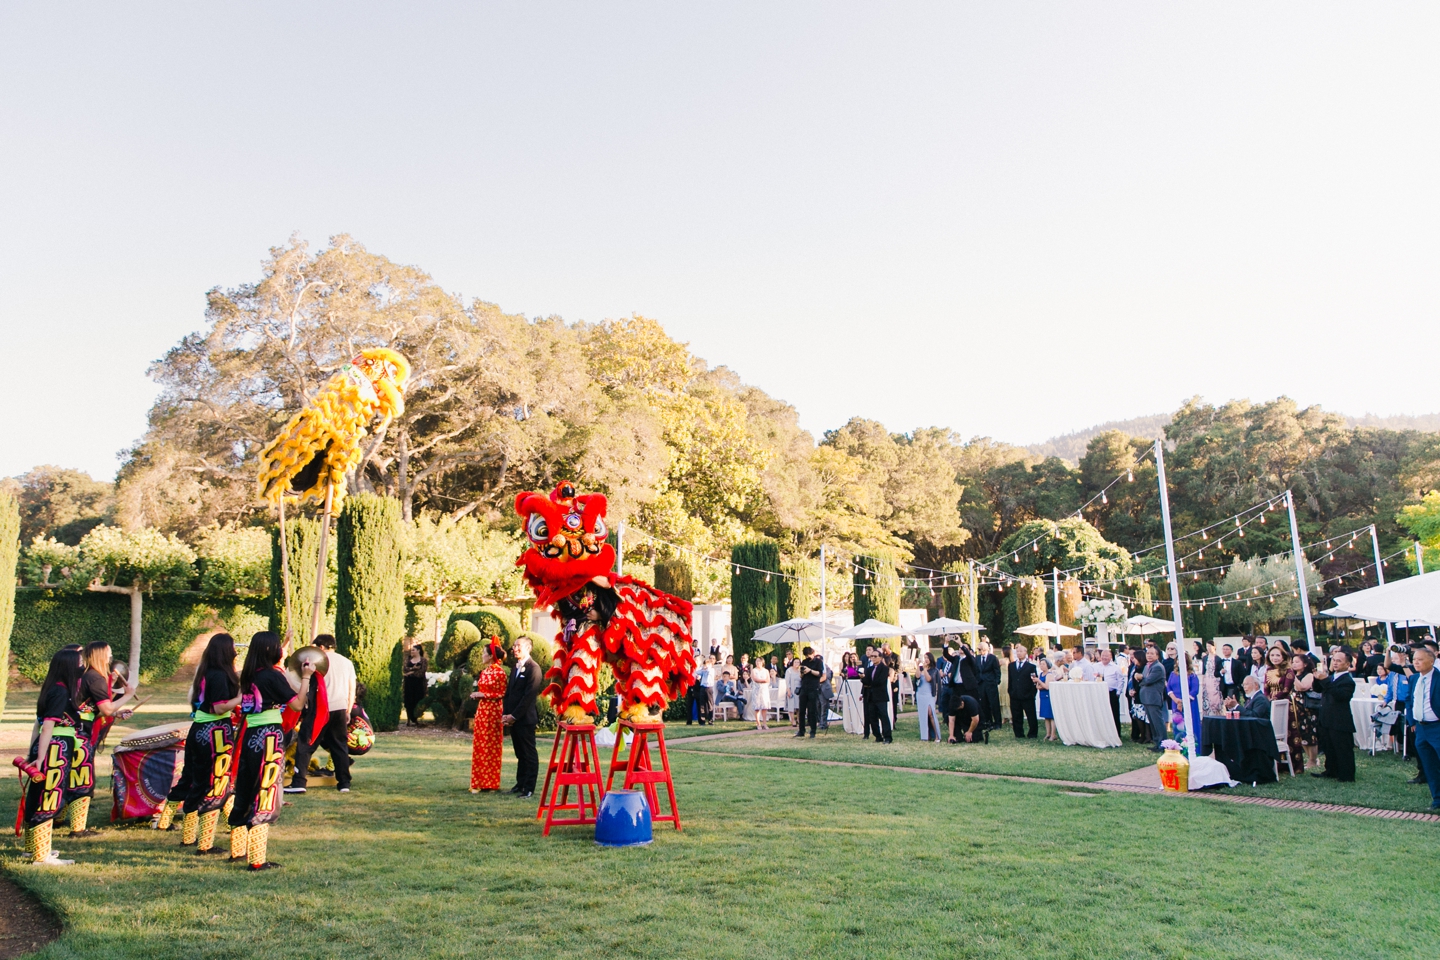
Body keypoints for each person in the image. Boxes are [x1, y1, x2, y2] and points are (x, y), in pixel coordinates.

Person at [229, 631, 313, 870]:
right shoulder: (271, 676)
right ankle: (256, 860)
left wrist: (285, 645)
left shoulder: (248, 674)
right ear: (269, 650)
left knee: (246, 788)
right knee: (266, 789)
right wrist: (306, 677)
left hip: (250, 736)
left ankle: (238, 850)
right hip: (268, 737)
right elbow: (296, 704)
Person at [163, 633, 238, 854]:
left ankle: (188, 837)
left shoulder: (206, 671)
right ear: (226, 651)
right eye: (233, 647)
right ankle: (205, 843)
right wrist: (241, 698)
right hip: (215, 731)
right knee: (213, 783)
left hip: (199, 729)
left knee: (194, 779)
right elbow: (219, 707)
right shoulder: (220, 675)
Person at [18, 646, 85, 865]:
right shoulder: (61, 691)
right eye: (79, 662)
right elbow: (47, 726)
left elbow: (37, 725)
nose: (82, 666)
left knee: (38, 796)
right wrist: (42, 756)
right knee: (49, 797)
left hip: (48, 747)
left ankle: (34, 849)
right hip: (56, 749)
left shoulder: (51, 688)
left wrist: (34, 752)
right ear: (69, 666)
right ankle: (41, 856)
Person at [65, 641, 137, 837]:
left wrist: (117, 713)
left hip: (75, 730)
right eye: (109, 654)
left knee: (73, 776)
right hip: (79, 733)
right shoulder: (94, 677)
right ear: (100, 655)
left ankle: (60, 818)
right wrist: (128, 695)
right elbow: (105, 708)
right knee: (82, 779)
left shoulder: (86, 675)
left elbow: (90, 709)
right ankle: (77, 829)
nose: (111, 658)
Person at [289, 634, 356, 794]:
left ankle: (299, 782)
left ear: (321, 647)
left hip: (319, 708)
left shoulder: (315, 661)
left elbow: (301, 682)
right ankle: (344, 783)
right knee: (339, 746)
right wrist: (348, 709)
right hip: (339, 708)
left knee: (306, 744)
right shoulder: (346, 662)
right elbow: (351, 687)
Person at [502, 636, 543, 798]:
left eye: (518, 646)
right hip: (513, 718)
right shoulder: (515, 667)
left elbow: (528, 697)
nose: (515, 648)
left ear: (528, 648)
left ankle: (529, 788)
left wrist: (515, 716)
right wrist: (506, 714)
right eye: (514, 645)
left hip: (525, 719)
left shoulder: (534, 669)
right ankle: (520, 784)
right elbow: (510, 693)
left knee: (529, 753)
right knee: (519, 754)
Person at [468, 639, 507, 793]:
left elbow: (502, 693)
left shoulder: (500, 672)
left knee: (491, 746)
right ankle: (478, 781)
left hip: (494, 711)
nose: (482, 656)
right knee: (480, 745)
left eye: (484, 653)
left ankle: (491, 783)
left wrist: (484, 694)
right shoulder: (484, 671)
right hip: (483, 710)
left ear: (491, 656)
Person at [1311, 650, 1357, 782]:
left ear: (1347, 664)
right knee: (1329, 747)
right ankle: (1331, 770)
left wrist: (1325, 680)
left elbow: (1340, 695)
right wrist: (1317, 678)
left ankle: (1346, 774)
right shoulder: (1331, 677)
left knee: (1342, 748)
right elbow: (1318, 689)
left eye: (1339, 661)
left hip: (1340, 719)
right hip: (1326, 717)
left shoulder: (1347, 680)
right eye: (1334, 660)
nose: (1335, 663)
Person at [1406, 646, 1440, 809]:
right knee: (1429, 766)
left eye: (1420, 659)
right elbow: (1409, 699)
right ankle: (1437, 799)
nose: (1416, 663)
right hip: (1421, 728)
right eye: (1414, 660)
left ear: (1431, 661)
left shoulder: (1438, 678)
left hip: (1437, 727)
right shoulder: (1414, 679)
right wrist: (1412, 721)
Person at [1288, 652, 1320, 772]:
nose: (1294, 664)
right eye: (1293, 662)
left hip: (1307, 709)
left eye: (1297, 662)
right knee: (1301, 734)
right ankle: (1309, 759)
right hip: (1296, 708)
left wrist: (1293, 676)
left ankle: (1313, 759)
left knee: (1310, 734)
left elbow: (1302, 687)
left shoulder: (1309, 675)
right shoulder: (1294, 674)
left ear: (1305, 664)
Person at [1139, 646, 1169, 752]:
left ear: (1157, 655)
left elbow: (1147, 680)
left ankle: (1163, 744)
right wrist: (1141, 679)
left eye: (1152, 653)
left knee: (1158, 722)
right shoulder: (1147, 666)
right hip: (1147, 698)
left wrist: (1140, 679)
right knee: (1152, 722)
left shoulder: (1158, 667)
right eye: (1148, 653)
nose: (1149, 655)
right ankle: (1157, 743)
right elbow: (1143, 680)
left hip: (1153, 698)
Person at [1166, 662, 1203, 750]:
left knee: (1191, 724)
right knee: (1178, 725)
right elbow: (1169, 687)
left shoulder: (1192, 675)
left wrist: (1183, 702)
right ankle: (1179, 747)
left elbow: (1194, 690)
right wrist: (1175, 699)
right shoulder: (1173, 674)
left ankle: (1194, 749)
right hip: (1176, 702)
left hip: (1190, 704)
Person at [861, 647, 892, 743]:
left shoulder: (884, 668)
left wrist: (869, 683)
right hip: (871, 696)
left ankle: (887, 737)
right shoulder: (869, 669)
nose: (873, 658)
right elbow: (866, 682)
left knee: (883, 716)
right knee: (872, 717)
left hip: (880, 696)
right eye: (871, 656)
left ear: (880, 657)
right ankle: (877, 736)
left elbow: (880, 681)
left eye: (875, 656)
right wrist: (862, 678)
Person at [1008, 644, 1038, 739]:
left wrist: (1032, 694)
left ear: (1026, 653)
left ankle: (1032, 733)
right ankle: (1018, 733)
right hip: (1015, 695)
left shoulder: (1031, 667)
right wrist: (1011, 691)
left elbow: (1034, 681)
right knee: (1016, 715)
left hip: (1027, 695)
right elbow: (1011, 679)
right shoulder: (1011, 665)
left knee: (1031, 715)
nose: (1019, 653)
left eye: (1021, 651)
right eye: (1017, 651)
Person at [795, 646, 823, 738]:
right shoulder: (804, 662)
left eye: (809, 654)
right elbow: (801, 676)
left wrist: (810, 670)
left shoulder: (818, 662)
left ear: (813, 653)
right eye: (807, 655)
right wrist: (802, 672)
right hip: (804, 688)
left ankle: (813, 730)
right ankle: (801, 730)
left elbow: (819, 674)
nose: (808, 656)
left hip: (813, 688)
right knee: (801, 710)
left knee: (812, 710)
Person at [916, 652, 943, 742]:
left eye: (927, 657)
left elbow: (928, 679)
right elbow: (917, 676)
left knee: (930, 713)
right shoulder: (921, 669)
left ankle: (936, 735)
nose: (926, 659)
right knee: (923, 715)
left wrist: (924, 669)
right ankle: (925, 735)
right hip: (920, 693)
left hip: (929, 694)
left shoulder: (934, 670)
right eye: (925, 657)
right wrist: (917, 666)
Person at [975, 641, 1002, 732]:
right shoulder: (977, 658)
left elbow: (997, 670)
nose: (979, 651)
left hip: (990, 683)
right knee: (984, 704)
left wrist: (996, 681)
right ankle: (988, 721)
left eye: (980, 649)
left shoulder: (993, 658)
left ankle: (997, 722)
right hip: (981, 684)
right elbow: (976, 670)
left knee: (994, 703)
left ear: (985, 649)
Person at [1099, 646, 1124, 736]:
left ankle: (1116, 734)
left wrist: (1118, 692)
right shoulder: (1096, 666)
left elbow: (1120, 680)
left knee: (1114, 714)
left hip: (1112, 693)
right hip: (1099, 693)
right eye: (1103, 655)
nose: (1104, 657)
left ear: (1111, 657)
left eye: (1106, 656)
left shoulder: (1115, 667)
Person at [402, 642, 428, 726]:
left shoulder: (423, 660)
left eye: (413, 650)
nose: (411, 651)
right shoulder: (408, 659)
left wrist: (410, 673)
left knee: (417, 700)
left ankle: (416, 719)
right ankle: (409, 719)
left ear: (418, 651)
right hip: (409, 684)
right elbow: (405, 669)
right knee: (408, 700)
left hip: (419, 684)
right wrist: (413, 669)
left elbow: (421, 672)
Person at [1036, 658, 1058, 742]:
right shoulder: (1040, 674)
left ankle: (1053, 734)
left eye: (1043, 664)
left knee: (1051, 716)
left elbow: (1047, 686)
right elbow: (1037, 686)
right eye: (1040, 664)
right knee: (1046, 716)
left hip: (1048, 696)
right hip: (1042, 696)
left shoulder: (1049, 674)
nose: (1041, 666)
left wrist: (1039, 682)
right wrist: (1040, 684)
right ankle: (1048, 733)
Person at [749, 658, 772, 731]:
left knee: (764, 707)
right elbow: (755, 679)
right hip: (756, 690)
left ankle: (764, 723)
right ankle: (758, 723)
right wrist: (763, 680)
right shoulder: (754, 670)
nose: (758, 663)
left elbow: (768, 680)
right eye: (757, 661)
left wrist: (764, 681)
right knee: (757, 708)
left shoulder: (766, 671)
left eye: (759, 661)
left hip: (764, 690)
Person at [693, 657, 715, 725]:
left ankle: (710, 720)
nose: (706, 665)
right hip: (702, 688)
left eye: (707, 664)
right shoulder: (703, 670)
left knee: (710, 704)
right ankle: (702, 721)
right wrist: (702, 668)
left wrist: (706, 668)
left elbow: (708, 671)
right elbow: (696, 672)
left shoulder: (712, 670)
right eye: (705, 664)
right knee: (702, 704)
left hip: (709, 688)